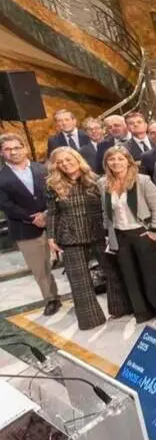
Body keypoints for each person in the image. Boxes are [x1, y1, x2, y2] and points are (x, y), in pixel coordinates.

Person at [45, 147, 129, 328]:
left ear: (77, 159)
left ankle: (120, 308)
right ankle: (90, 319)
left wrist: (111, 231)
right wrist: (51, 237)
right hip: (69, 235)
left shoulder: (96, 180)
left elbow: (108, 207)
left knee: (112, 271)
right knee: (79, 280)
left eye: (68, 159)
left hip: (97, 231)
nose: (65, 164)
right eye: (60, 162)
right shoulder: (53, 185)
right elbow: (52, 213)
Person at [98, 145, 156, 322]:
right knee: (130, 276)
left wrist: (154, 231)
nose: (116, 162)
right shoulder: (103, 183)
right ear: (106, 163)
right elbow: (105, 212)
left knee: (152, 275)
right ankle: (143, 312)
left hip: (144, 232)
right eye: (112, 159)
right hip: (120, 235)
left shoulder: (142, 180)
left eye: (120, 159)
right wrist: (108, 234)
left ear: (128, 161)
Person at [0, 133, 60, 314]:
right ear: (2, 153)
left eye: (17, 147)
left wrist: (46, 213)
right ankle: (51, 299)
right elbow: (6, 205)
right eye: (8, 149)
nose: (14, 152)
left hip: (55, 221)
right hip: (25, 227)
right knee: (40, 267)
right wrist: (32, 217)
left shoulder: (42, 168)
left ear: (24, 148)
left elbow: (55, 190)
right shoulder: (1, 177)